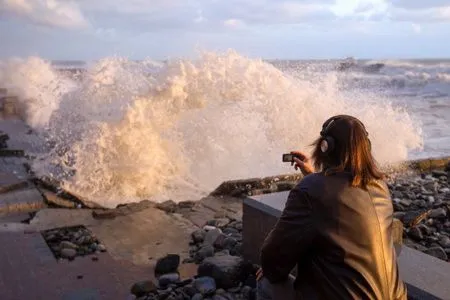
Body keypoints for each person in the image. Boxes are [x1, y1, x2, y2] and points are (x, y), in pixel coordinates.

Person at [256, 115, 407, 300]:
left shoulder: (311, 191)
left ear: (325, 146)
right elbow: (340, 199)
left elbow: (273, 259)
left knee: (266, 284)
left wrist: (270, 270)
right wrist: (313, 177)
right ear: (366, 147)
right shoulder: (380, 187)